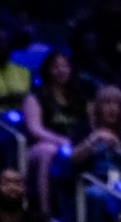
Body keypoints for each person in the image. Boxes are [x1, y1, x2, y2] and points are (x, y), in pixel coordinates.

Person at [20, 52, 86, 218]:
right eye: (56, 66)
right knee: (48, 150)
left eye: (65, 66)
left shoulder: (78, 98)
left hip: (74, 147)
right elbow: (34, 129)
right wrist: (60, 141)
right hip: (37, 149)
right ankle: (45, 211)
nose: (61, 70)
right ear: (47, 70)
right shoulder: (35, 96)